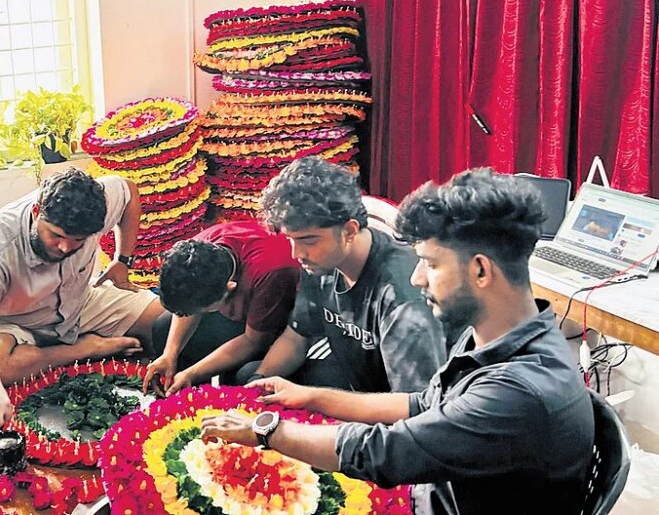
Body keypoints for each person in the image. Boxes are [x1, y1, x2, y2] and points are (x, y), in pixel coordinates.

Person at [201, 168, 595, 515]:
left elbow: (385, 453)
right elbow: (420, 403)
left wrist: (267, 431)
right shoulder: (493, 337)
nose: (417, 277)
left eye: (432, 263)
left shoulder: (518, 391)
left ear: (480, 270)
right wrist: (309, 398)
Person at [0, 168, 165, 426]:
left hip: (80, 301)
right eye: (56, 236)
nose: (66, 247)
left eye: (78, 240)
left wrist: (122, 261)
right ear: (36, 213)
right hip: (17, 322)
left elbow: (129, 191)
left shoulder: (97, 200)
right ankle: (86, 348)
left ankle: (59, 350)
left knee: (166, 321)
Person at [245, 157, 450, 393]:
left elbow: (414, 408)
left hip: (398, 407)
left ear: (350, 231)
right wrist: (254, 389)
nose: (296, 253)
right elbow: (297, 336)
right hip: (358, 387)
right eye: (290, 239)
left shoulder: (403, 297)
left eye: (308, 240)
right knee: (251, 375)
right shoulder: (320, 261)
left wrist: (308, 413)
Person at [143, 220, 300, 396]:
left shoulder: (270, 272)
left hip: (277, 322)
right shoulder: (198, 250)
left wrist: (192, 373)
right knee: (163, 329)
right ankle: (185, 398)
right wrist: (170, 354)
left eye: (203, 309)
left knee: (241, 376)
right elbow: (189, 297)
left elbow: (253, 341)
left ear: (230, 288)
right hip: (242, 305)